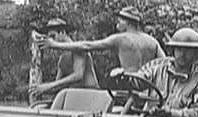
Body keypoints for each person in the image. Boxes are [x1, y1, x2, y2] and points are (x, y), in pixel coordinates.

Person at [35, 6, 165, 72]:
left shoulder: (121, 39)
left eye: (120, 20)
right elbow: (166, 63)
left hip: (130, 89)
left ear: (128, 22)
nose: (117, 23)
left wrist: (55, 45)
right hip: (148, 90)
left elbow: (88, 46)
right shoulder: (152, 42)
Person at [29, 18, 99, 99]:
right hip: (74, 96)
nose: (51, 41)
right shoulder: (62, 59)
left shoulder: (78, 49)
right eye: (50, 38)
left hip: (91, 94)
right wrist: (38, 88)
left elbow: (78, 76)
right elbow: (58, 85)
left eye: (53, 36)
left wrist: (49, 86)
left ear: (62, 32)